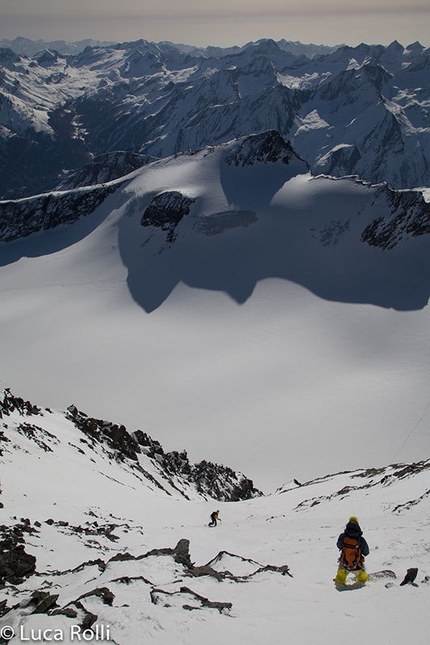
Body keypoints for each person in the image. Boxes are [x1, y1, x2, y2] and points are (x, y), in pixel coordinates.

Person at [334, 516, 369, 585]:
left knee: (340, 577)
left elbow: (339, 545)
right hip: (357, 564)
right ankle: (362, 581)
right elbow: (366, 552)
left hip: (344, 563)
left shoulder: (343, 536)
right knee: (362, 578)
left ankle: (339, 583)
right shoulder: (360, 539)